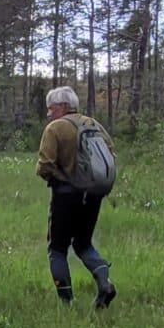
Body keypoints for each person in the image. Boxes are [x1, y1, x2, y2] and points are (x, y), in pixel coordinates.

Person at [34, 85, 117, 308]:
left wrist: (60, 178)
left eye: (50, 108)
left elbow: (44, 166)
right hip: (94, 194)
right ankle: (104, 282)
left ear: (62, 107)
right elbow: (111, 152)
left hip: (65, 196)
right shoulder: (94, 124)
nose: (48, 113)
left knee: (57, 249)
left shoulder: (55, 128)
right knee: (83, 243)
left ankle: (66, 303)